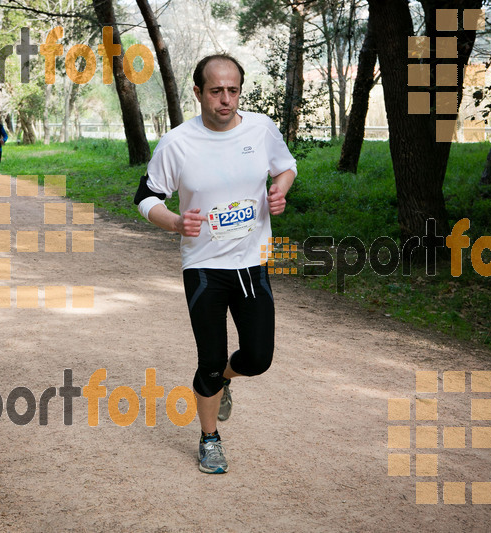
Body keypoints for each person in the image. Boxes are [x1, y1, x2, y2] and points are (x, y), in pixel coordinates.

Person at [134, 54, 297, 474]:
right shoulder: (177, 143)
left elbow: (286, 168)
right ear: (198, 92)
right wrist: (174, 221)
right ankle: (209, 438)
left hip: (251, 263)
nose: (225, 100)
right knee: (209, 357)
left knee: (258, 357)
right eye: (215, 91)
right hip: (204, 265)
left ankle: (222, 382)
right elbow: (146, 197)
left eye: (233, 91)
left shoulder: (260, 129)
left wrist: (279, 191)